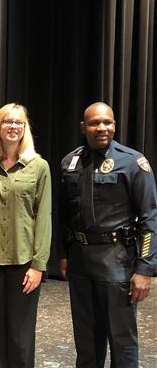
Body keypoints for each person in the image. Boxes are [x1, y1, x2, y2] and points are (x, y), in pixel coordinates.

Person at [59, 102, 157, 367]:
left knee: (122, 342)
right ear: (83, 127)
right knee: (87, 344)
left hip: (117, 263)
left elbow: (150, 217)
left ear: (114, 125)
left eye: (107, 122)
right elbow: (64, 215)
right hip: (81, 262)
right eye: (94, 123)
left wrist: (146, 269)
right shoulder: (70, 162)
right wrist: (64, 254)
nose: (101, 128)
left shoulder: (133, 163)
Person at [0, 103, 52, 367]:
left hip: (24, 262)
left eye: (19, 122)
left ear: (25, 128)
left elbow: (44, 217)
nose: (13, 127)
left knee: (20, 336)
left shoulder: (39, 167)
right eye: (7, 121)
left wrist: (39, 265)